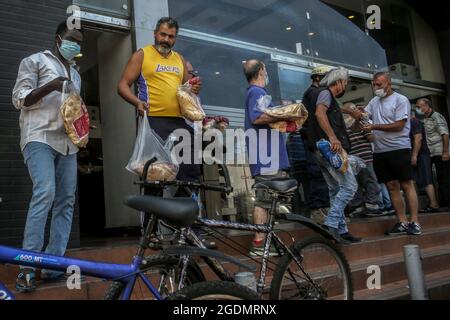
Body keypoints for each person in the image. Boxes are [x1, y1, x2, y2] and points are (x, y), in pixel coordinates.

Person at [12, 22, 84, 291]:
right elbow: (20, 99)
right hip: (38, 137)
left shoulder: (77, 75)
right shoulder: (35, 61)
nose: (75, 45)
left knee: (66, 202)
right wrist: (51, 86)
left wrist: (83, 128)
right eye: (71, 39)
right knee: (45, 192)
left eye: (79, 42)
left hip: (68, 144)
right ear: (58, 38)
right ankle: (27, 268)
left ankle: (53, 265)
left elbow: (74, 109)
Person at [118, 17, 203, 235]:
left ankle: (187, 230)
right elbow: (122, 85)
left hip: (179, 123)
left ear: (175, 38)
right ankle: (151, 232)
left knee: (190, 174)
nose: (166, 39)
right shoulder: (142, 54)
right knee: (154, 177)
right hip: (153, 121)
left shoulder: (180, 60)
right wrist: (137, 102)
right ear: (155, 33)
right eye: (163, 34)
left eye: (171, 36)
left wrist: (195, 88)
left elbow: (187, 91)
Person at [361, 72, 421, 236]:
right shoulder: (374, 101)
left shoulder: (400, 100)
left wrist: (373, 127)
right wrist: (354, 112)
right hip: (380, 151)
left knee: (406, 184)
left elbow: (399, 126)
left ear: (389, 83)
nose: (376, 87)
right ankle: (402, 221)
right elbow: (363, 116)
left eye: (379, 84)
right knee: (392, 186)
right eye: (374, 84)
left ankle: (414, 221)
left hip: (399, 149)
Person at [308, 67, 361, 244]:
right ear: (337, 82)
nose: (344, 86)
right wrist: (332, 137)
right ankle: (331, 223)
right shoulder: (325, 94)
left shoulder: (325, 96)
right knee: (349, 186)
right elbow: (319, 113)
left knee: (335, 189)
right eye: (344, 83)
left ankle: (342, 230)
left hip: (321, 149)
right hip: (329, 149)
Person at [243, 59, 290, 256]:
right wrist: (283, 113)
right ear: (261, 71)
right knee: (263, 200)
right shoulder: (256, 92)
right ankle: (259, 243)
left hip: (268, 157)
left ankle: (265, 240)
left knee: (269, 200)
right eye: (265, 69)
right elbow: (257, 117)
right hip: (266, 157)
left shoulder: (258, 93)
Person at [301, 66, 331, 224]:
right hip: (313, 139)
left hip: (314, 138)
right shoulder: (314, 93)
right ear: (318, 78)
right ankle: (318, 210)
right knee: (318, 173)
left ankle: (323, 208)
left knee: (321, 173)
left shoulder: (314, 93)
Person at [342, 103, 382, 217]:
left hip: (352, 160)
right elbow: (370, 138)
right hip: (365, 158)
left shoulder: (344, 127)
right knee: (371, 181)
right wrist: (374, 133)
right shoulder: (361, 123)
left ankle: (357, 207)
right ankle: (371, 205)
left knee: (357, 184)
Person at [416, 98, 450, 209]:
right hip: (432, 153)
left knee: (444, 178)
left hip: (440, 152)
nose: (418, 109)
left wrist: (445, 152)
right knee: (438, 178)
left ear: (427, 106)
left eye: (419, 106)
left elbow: (445, 134)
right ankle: (441, 203)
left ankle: (445, 204)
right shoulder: (425, 119)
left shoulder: (436, 116)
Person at [410, 110, 439, 213]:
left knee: (426, 179)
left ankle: (433, 204)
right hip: (415, 154)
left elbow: (418, 138)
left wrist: (414, 155)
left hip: (421, 154)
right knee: (413, 180)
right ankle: (416, 207)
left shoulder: (414, 122)